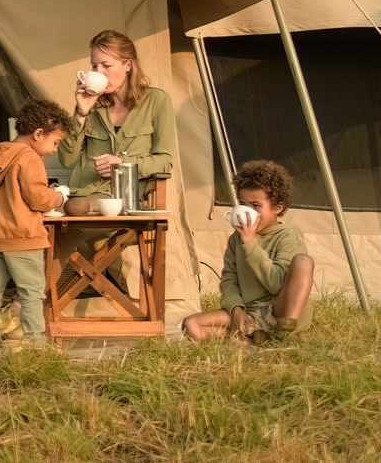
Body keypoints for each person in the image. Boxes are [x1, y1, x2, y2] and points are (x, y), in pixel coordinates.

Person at [53, 29, 176, 287]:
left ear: (128, 65)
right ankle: (29, 306)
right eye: (94, 65)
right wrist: (81, 111)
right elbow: (66, 158)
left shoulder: (156, 100)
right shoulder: (91, 105)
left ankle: (25, 307)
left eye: (107, 65)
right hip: (86, 196)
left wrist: (125, 165)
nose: (99, 72)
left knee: (64, 224)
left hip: (128, 201)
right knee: (52, 229)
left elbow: (165, 160)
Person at [182, 160, 313, 344]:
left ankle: (285, 334)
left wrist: (250, 244)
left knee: (303, 261)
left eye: (256, 205)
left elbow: (276, 284)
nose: (247, 211)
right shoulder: (236, 239)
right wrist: (236, 310)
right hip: (250, 312)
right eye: (243, 204)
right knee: (191, 324)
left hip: (279, 311)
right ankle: (256, 341)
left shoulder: (287, 235)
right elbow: (229, 281)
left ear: (277, 208)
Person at [0, 99, 70, 353]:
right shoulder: (29, 158)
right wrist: (59, 196)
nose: (53, 149)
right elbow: (37, 198)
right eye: (55, 142)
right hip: (23, 237)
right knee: (31, 292)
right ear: (39, 134)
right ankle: (36, 344)